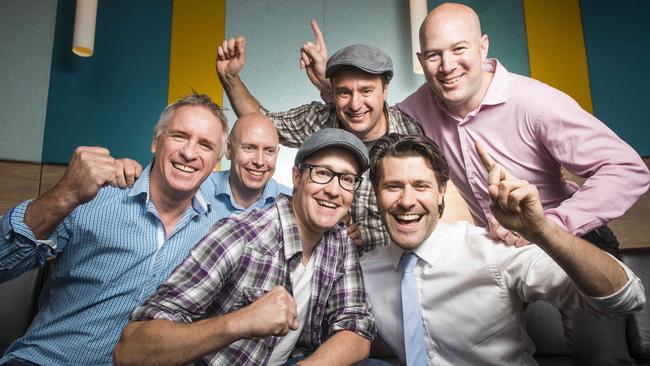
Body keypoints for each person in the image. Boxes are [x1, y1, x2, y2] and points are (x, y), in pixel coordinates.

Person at [0, 94, 280, 366]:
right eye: (180, 136)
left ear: (216, 161)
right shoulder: (95, 196)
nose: (190, 152)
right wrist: (65, 194)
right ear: (156, 142)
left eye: (205, 145)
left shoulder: (219, 230)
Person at [360, 133, 645, 365]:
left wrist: (542, 231)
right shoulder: (363, 271)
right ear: (376, 193)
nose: (406, 200)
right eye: (393, 186)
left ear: (441, 192)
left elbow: (625, 298)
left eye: (420, 186)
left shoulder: (490, 250)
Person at [113, 128, 376, 366]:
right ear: (297, 177)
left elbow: (357, 327)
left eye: (347, 179)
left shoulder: (339, 242)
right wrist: (240, 322)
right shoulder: (240, 235)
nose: (334, 190)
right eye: (322, 173)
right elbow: (131, 349)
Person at [216, 31, 423, 253]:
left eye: (366, 91)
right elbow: (262, 124)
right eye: (344, 92)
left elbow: (425, 208)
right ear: (332, 92)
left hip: (390, 264)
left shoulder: (411, 135)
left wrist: (373, 237)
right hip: (323, 264)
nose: (355, 104)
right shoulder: (319, 119)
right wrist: (230, 79)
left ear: (385, 90)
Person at [211, 112, 290, 216]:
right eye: (249, 148)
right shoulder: (197, 191)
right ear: (228, 149)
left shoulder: (293, 202)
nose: (259, 161)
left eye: (269, 151)